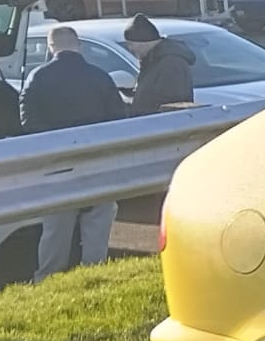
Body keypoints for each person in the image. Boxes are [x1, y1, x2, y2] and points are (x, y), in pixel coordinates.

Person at [20, 24, 126, 279]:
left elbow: (27, 120)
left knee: (56, 226)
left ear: (51, 47)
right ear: (79, 45)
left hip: (57, 163)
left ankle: (48, 278)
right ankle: (94, 275)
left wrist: (53, 142)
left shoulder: (38, 77)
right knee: (98, 222)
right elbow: (118, 119)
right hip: (97, 160)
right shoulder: (100, 76)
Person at [121, 15, 195, 112]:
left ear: (142, 43)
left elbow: (172, 105)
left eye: (130, 44)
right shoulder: (151, 61)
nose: (130, 49)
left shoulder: (171, 64)